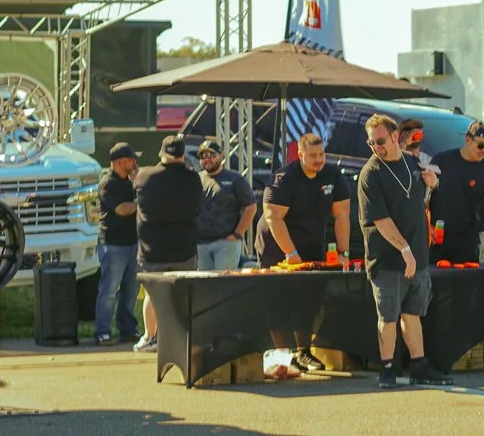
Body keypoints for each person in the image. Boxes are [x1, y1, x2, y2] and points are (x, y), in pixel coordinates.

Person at [357, 113, 451, 389]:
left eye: (380, 141)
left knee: (413, 313)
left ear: (396, 137)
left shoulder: (412, 163)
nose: (376, 147)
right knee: (388, 315)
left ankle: (419, 364)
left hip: (418, 255)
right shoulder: (370, 174)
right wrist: (404, 249)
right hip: (387, 259)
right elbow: (380, 220)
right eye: (371, 143)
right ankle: (387, 368)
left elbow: (423, 195)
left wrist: (433, 185)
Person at [255, 133, 350, 370]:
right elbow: (273, 217)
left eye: (322, 155)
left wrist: (344, 252)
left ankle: (303, 352)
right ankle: (283, 355)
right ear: (300, 155)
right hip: (276, 244)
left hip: (311, 241)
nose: (319, 160)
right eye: (313, 156)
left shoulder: (332, 175)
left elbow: (342, 215)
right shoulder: (285, 178)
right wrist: (291, 253)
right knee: (278, 299)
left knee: (309, 298)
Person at [131, 135, 204, 353]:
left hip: (152, 250)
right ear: (183, 155)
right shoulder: (193, 179)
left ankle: (149, 337)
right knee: (182, 297)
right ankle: (181, 338)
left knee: (153, 296)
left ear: (162, 154)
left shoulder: (144, 176)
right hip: (184, 249)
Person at [427, 121, 484, 264]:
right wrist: (427, 226)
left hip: (466, 242)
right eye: (480, 145)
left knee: (466, 284)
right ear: (468, 139)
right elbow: (425, 198)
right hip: (437, 238)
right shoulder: (442, 160)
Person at [93, 142, 142, 347]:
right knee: (109, 290)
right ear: (121, 161)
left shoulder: (129, 182)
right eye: (131, 159)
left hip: (132, 244)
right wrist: (142, 201)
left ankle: (127, 329)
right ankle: (102, 332)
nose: (135, 163)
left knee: (131, 290)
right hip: (113, 245)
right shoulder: (108, 183)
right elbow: (122, 210)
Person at [195, 140, 257, 271]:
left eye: (212, 155)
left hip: (226, 242)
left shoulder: (235, 179)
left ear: (221, 156)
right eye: (203, 156)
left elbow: (251, 207)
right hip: (201, 244)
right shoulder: (196, 179)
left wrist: (238, 234)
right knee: (204, 285)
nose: (207, 159)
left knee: (224, 283)